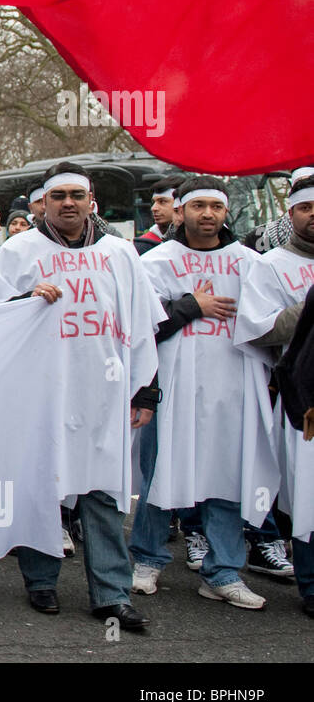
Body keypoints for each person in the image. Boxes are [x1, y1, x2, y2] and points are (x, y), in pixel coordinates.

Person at [0, 162, 163, 631]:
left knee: (104, 493)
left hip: (104, 393)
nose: (68, 203)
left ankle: (112, 594)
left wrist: (145, 391)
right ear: (45, 201)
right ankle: (40, 581)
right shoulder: (19, 251)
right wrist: (22, 300)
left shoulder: (120, 253)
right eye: (58, 195)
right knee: (45, 486)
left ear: (91, 201)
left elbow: (143, 326)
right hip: (42, 392)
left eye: (76, 195)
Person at [128, 177, 272, 611]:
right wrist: (192, 305)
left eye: (216, 207)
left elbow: (264, 322)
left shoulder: (248, 262)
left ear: (226, 213)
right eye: (198, 206)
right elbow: (142, 326)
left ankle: (223, 571)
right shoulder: (157, 261)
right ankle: (147, 560)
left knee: (225, 476)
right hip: (173, 385)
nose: (207, 214)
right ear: (181, 211)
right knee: (160, 472)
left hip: (233, 385)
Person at [236, 174, 314, 616]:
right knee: (308, 493)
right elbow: (259, 328)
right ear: (291, 214)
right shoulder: (271, 265)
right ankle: (311, 585)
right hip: (304, 396)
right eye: (307, 208)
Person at [134, 175, 186, 255]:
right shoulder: (141, 246)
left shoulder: (200, 243)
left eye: (162, 201)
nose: (153, 208)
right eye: (154, 202)